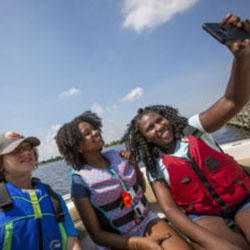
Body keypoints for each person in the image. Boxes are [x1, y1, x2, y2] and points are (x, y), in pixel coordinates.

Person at [122, 13, 250, 250]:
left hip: (242, 199)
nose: (159, 127)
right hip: (205, 215)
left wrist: (241, 57)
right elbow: (170, 210)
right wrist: (211, 241)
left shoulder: (194, 127)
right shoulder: (153, 164)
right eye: (150, 128)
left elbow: (233, 100)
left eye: (160, 120)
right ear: (144, 138)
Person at [55, 111, 192, 250]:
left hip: (146, 221)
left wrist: (135, 166)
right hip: (117, 239)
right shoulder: (80, 180)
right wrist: (139, 243)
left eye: (94, 129)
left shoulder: (118, 157)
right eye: (87, 133)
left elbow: (141, 189)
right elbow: (97, 235)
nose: (96, 132)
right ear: (78, 146)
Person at [0, 131, 82, 250]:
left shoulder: (53, 198)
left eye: (28, 147)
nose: (27, 152)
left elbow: (72, 242)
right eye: (15, 150)